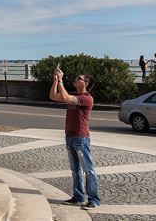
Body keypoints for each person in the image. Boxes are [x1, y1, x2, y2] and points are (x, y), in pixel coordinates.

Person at [49, 69, 101, 211]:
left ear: (85, 83)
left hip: (81, 138)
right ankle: (78, 197)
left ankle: (94, 199)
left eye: (79, 78)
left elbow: (65, 97)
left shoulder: (87, 98)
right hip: (70, 136)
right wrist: (55, 80)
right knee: (75, 170)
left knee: (88, 170)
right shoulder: (73, 94)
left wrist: (61, 80)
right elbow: (53, 96)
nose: (76, 79)